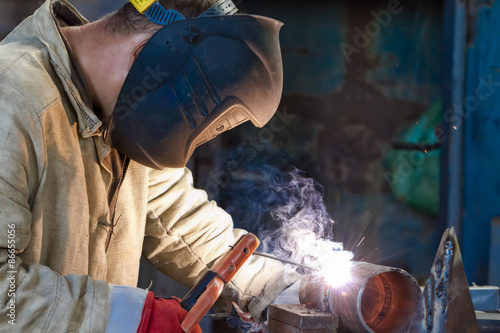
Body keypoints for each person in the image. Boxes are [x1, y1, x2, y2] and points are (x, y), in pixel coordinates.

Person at [0, 0, 304, 332]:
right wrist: (131, 319)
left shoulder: (120, 114)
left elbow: (177, 219)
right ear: (146, 55)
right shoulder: (13, 103)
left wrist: (275, 286)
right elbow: (6, 299)